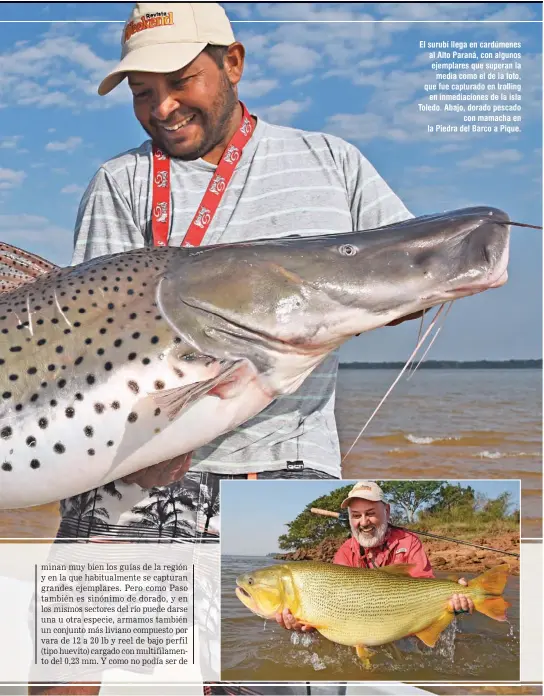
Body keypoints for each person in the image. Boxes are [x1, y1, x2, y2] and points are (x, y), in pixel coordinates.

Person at [32, 3, 423, 694]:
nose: (164, 108)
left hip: (281, 464)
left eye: (181, 81)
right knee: (69, 665)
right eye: (142, 93)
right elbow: (83, 343)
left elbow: (399, 272)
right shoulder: (119, 182)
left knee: (250, 667)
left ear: (233, 63)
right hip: (135, 459)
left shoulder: (331, 162)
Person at [276, 481, 474, 634]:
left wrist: (455, 603)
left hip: (408, 626)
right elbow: (333, 612)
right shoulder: (344, 553)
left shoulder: (409, 542)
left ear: (386, 511)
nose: (363, 522)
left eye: (370, 513)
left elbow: (427, 590)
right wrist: (306, 625)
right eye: (356, 516)